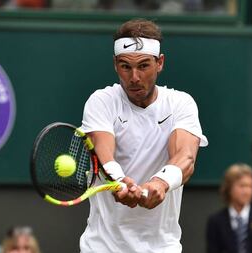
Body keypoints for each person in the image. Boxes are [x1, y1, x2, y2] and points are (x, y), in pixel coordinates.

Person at [79, 18, 208, 252]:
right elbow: (103, 152)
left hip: (161, 247)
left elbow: (185, 157)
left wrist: (161, 182)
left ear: (160, 63)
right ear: (115, 64)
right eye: (125, 66)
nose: (134, 77)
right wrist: (118, 181)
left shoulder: (180, 103)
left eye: (144, 66)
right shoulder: (101, 101)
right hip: (103, 247)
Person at [206, 163, 252, 253]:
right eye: (242, 186)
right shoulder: (215, 222)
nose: (247, 191)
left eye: (250, 186)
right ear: (229, 188)